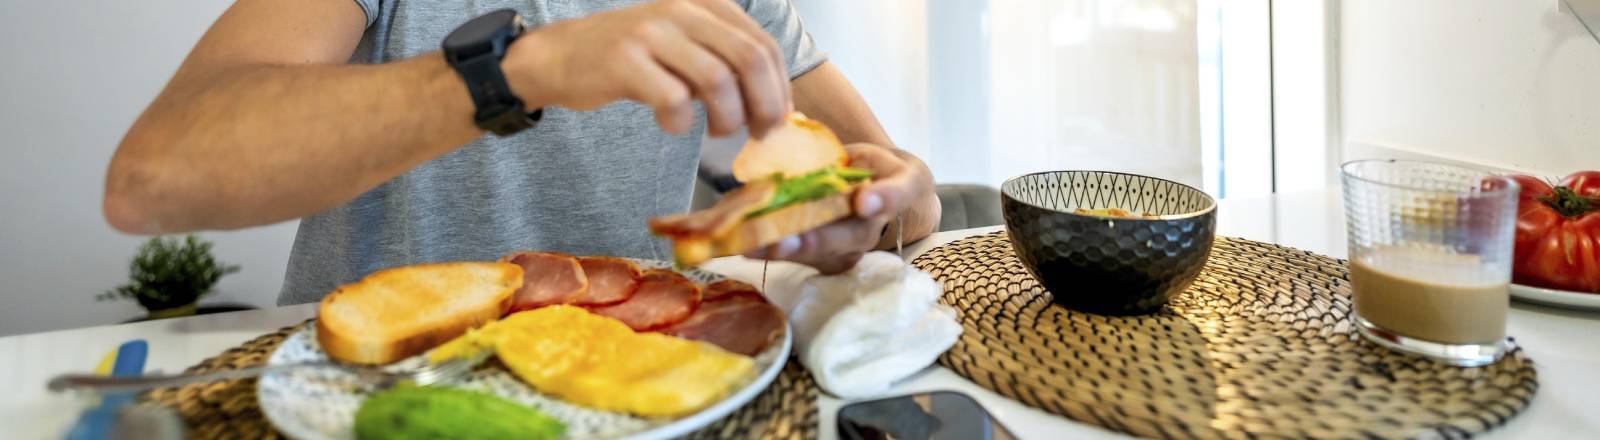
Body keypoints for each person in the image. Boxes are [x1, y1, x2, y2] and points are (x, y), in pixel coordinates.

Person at [101, 0, 940, 305]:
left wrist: (871, 209)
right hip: (376, 396)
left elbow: (905, 190)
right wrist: (519, 70)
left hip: (630, 384)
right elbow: (152, 178)